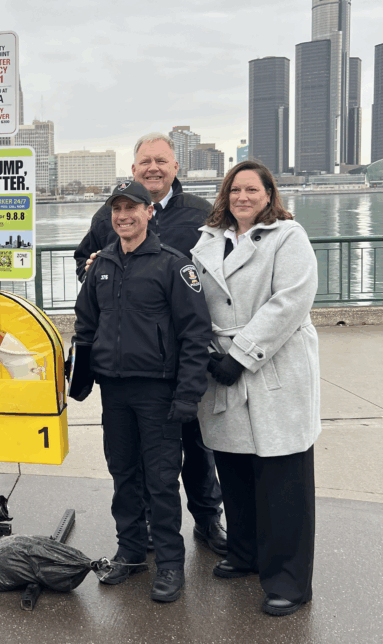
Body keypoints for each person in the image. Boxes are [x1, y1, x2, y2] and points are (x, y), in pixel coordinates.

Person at [74, 133, 226, 556]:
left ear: (176, 167)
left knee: (195, 449)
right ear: (134, 168)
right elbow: (83, 263)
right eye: (145, 161)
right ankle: (138, 538)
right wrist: (90, 266)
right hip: (128, 366)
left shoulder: (202, 213)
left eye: (162, 160)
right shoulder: (110, 217)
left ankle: (207, 520)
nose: (153, 167)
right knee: (132, 462)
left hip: (184, 359)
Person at [191, 161, 320, 617]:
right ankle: (244, 553)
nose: (242, 197)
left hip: (273, 367)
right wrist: (207, 351)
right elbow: (193, 302)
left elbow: (290, 302)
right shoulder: (207, 242)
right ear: (224, 196)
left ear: (269, 195)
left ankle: (288, 580)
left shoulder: (290, 237)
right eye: (234, 190)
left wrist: (241, 355)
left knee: (283, 481)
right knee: (236, 473)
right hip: (219, 366)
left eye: (252, 189)